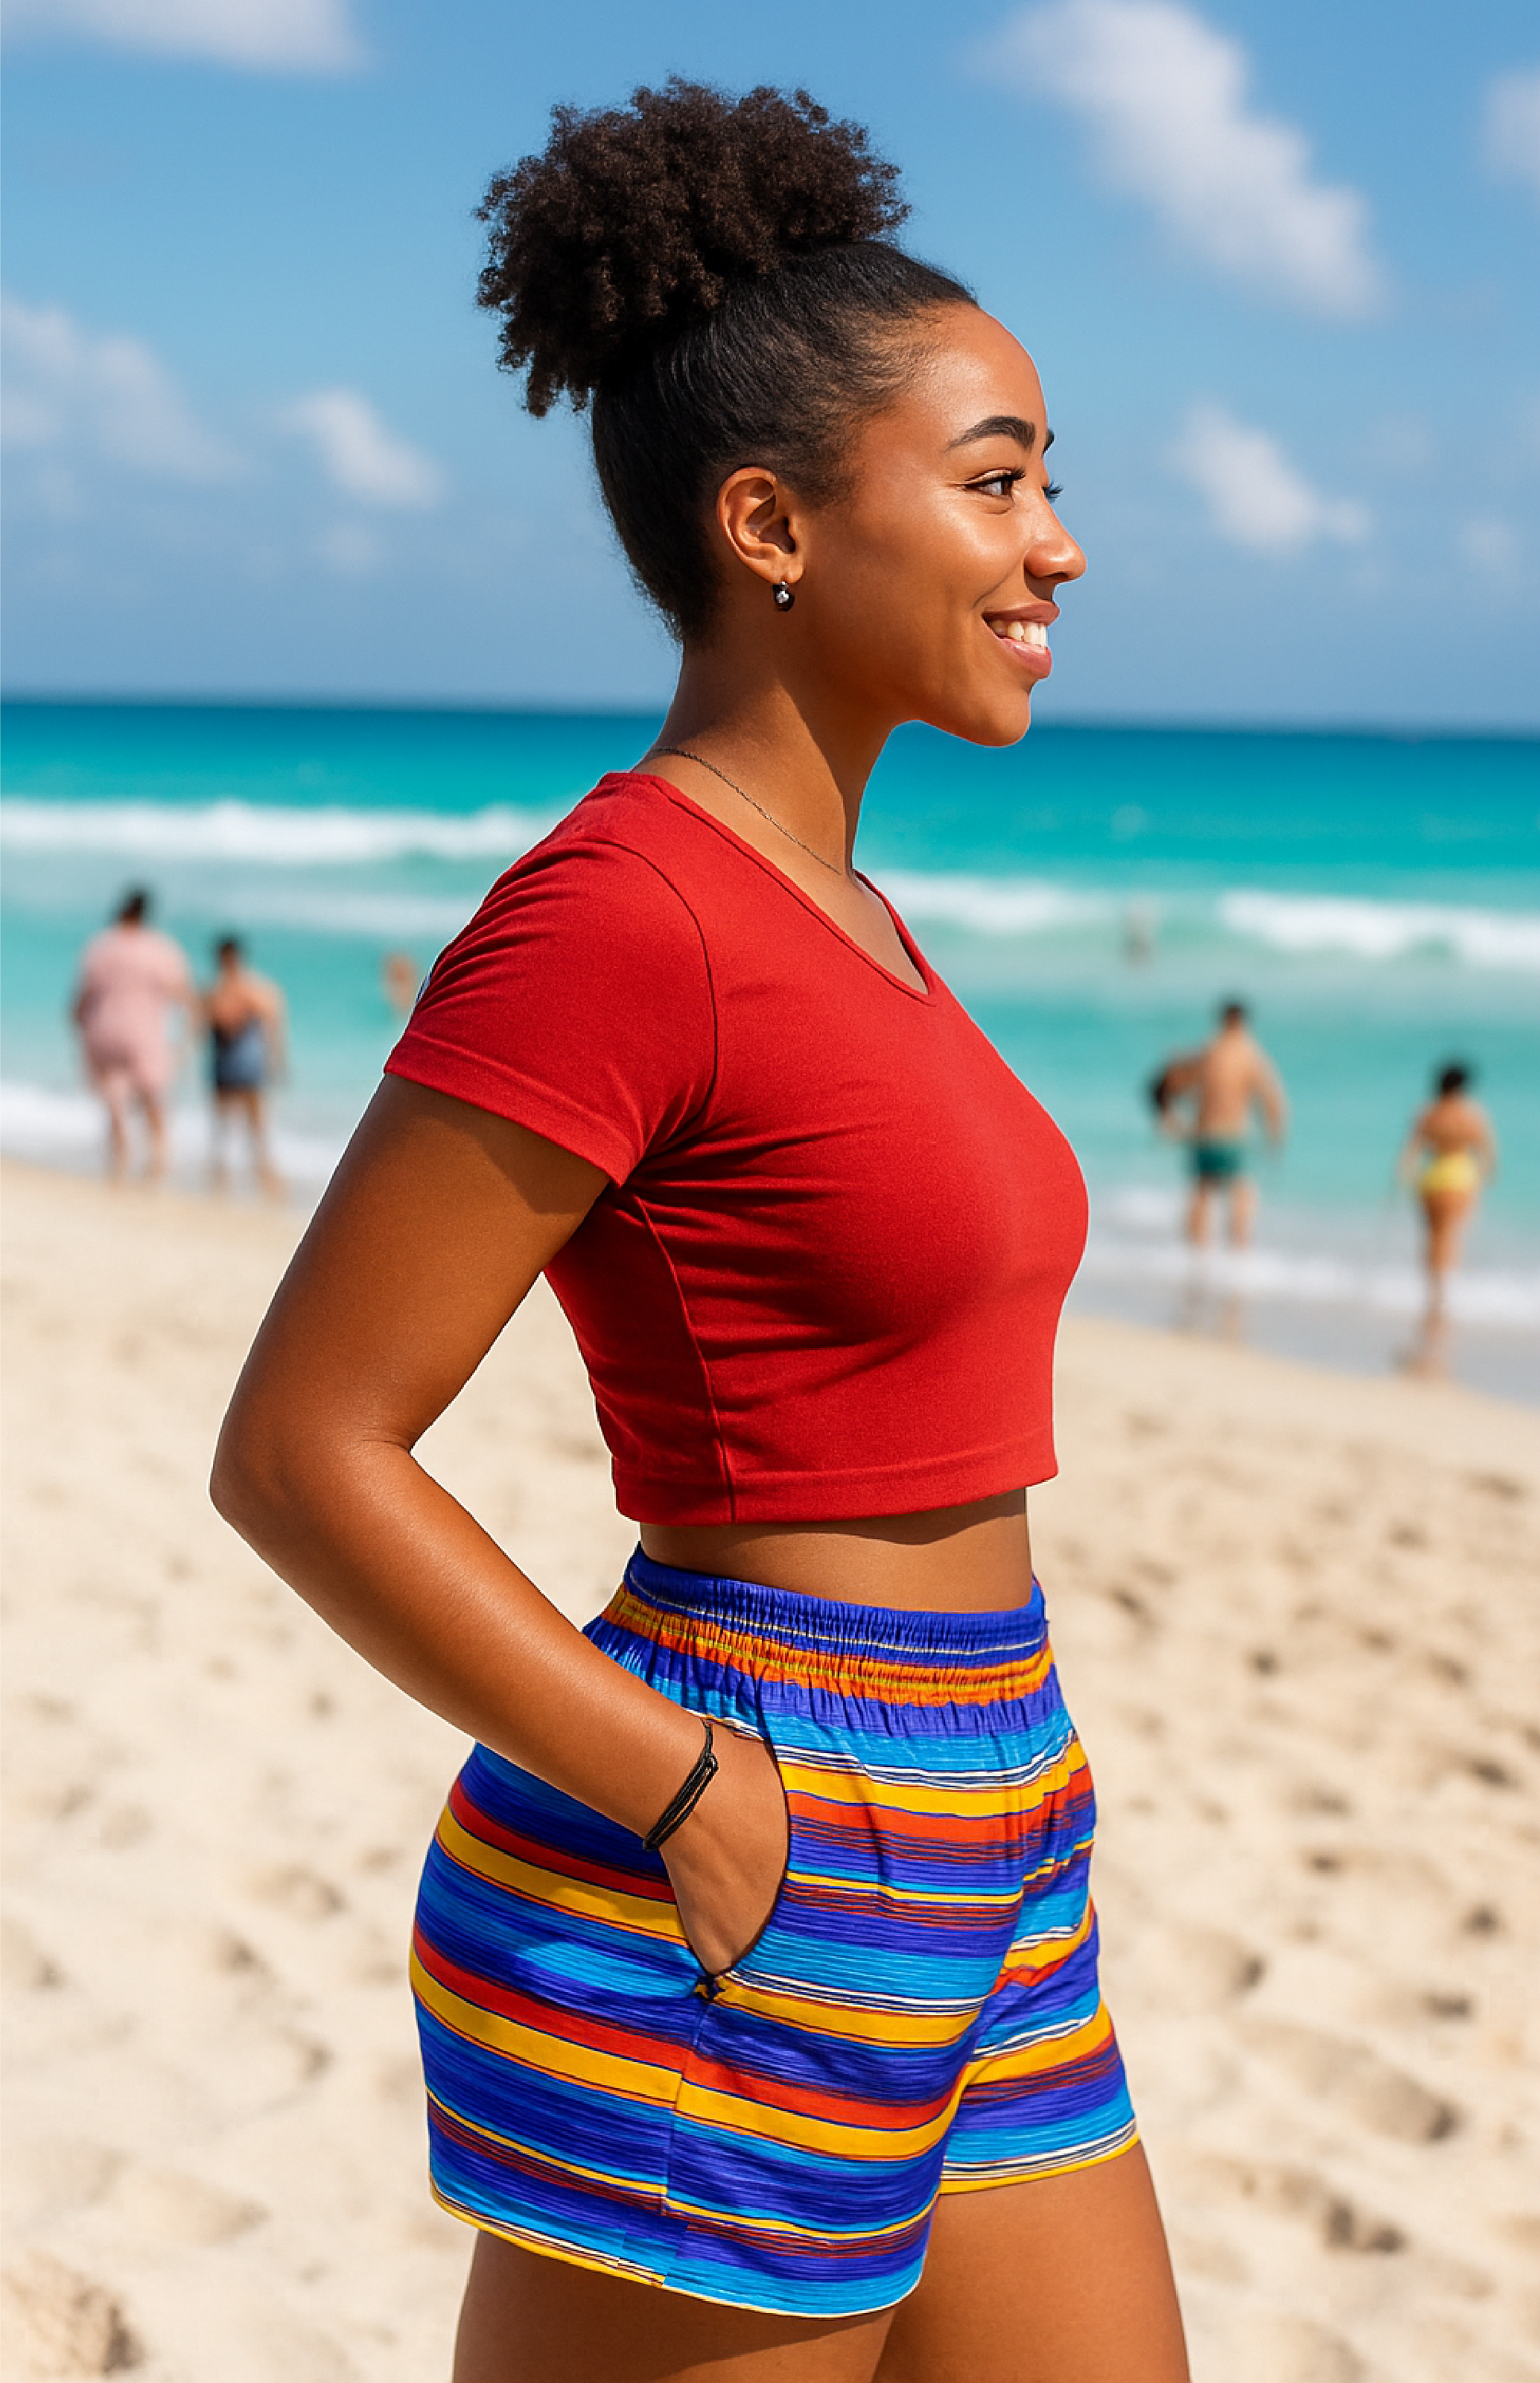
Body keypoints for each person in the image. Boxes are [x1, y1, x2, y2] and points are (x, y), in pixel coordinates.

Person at [212, 83, 1188, 2383]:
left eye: (1049, 476)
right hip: (739, 1838)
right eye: (995, 475)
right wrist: (678, 1780)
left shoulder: (845, 906)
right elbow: (305, 1446)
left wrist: (985, 1777)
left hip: (993, 1819)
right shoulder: (617, 913)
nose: (1057, 543)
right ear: (768, 520)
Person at [71, 887, 194, 1184]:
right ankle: (158, 1159)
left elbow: (83, 997)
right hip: (144, 1033)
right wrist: (188, 1039)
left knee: (114, 1099)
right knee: (152, 1097)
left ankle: (120, 1159)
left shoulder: (101, 946)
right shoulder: (161, 949)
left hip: (104, 1030)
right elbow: (182, 995)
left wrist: (79, 1026)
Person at [1155, 999, 1287, 1251]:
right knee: (1240, 1196)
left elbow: (1173, 1084)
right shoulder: (1251, 1055)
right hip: (1232, 1136)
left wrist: (1168, 1118)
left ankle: (1194, 1257)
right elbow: (1272, 1099)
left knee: (1202, 1195)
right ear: (1244, 1023)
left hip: (1203, 1135)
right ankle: (1238, 1257)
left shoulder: (1207, 1052)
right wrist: (1275, 1136)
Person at [1398, 1060, 1496, 1357]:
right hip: (1460, 1179)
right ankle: (1444, 1296)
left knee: (1432, 1239)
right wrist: (1482, 1181)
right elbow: (1488, 1154)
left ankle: (1434, 1294)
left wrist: (1407, 1176)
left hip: (1433, 1178)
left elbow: (1411, 1153)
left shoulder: (1428, 1113)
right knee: (1451, 1238)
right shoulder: (1472, 1115)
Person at [203, 935, 287, 1197]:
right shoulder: (255, 989)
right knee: (251, 1128)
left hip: (233, 1064)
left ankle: (227, 1183)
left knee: (229, 1127)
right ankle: (261, 1183)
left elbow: (219, 1023)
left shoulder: (220, 991)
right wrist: (276, 1060)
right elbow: (273, 1027)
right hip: (245, 1065)